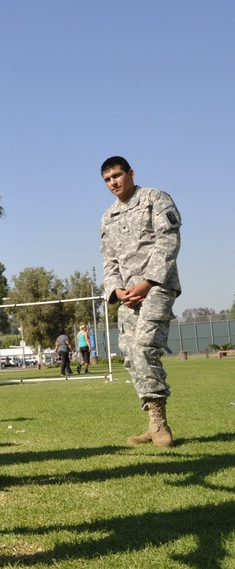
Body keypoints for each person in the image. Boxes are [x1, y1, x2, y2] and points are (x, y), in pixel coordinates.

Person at [100, 156, 181, 447]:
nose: (114, 183)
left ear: (131, 173)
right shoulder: (108, 217)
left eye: (118, 175)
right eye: (108, 179)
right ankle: (152, 421)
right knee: (130, 354)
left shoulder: (154, 199)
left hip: (157, 286)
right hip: (127, 297)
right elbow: (109, 260)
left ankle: (160, 424)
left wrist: (148, 282)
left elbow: (168, 242)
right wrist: (116, 289)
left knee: (146, 346)